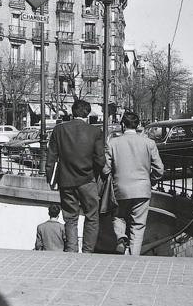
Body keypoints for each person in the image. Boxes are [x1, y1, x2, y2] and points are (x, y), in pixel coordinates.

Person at [45, 99, 105, 253]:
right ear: (88, 113)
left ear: (72, 112)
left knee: (70, 218)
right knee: (92, 216)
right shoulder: (95, 132)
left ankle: (71, 250)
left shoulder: (59, 130)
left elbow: (51, 157)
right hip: (88, 181)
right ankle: (87, 251)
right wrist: (94, 175)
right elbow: (100, 160)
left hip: (66, 181)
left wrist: (51, 179)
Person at [103, 110, 164, 255]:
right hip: (142, 189)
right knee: (138, 225)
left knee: (118, 216)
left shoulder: (113, 143)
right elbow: (160, 169)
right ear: (138, 125)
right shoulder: (149, 143)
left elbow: (105, 169)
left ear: (123, 125)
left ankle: (121, 238)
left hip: (120, 189)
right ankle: (134, 257)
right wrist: (151, 181)